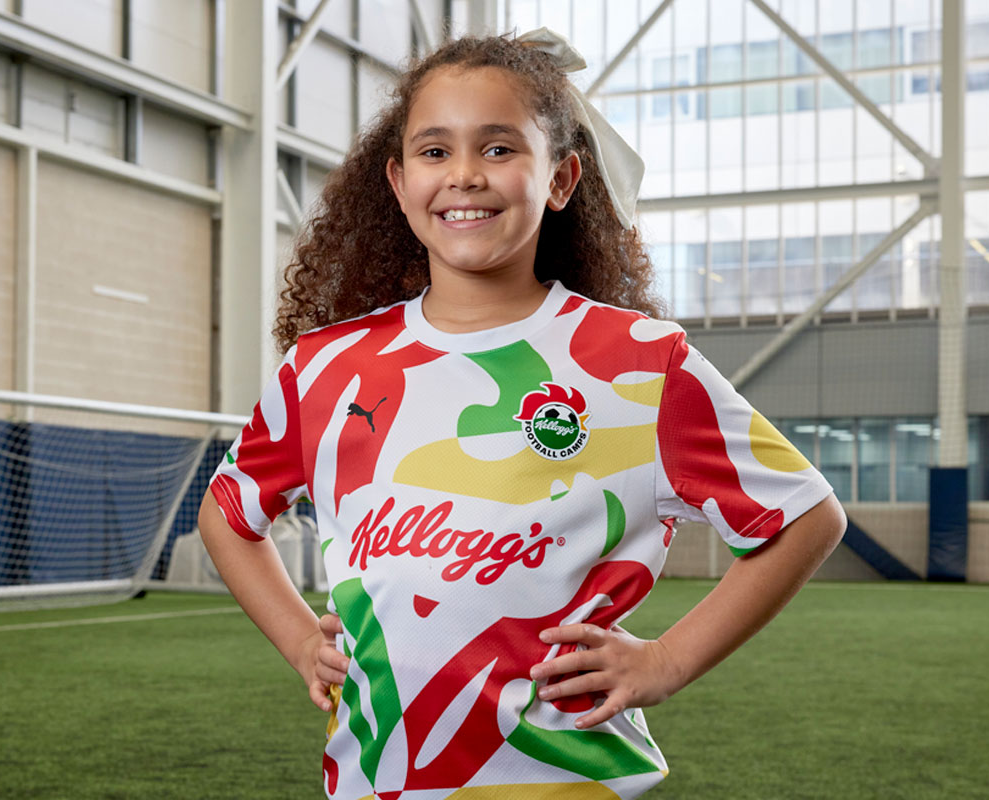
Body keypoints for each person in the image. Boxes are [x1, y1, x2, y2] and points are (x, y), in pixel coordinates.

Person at [198, 28, 846, 800]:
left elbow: (805, 516)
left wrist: (666, 661)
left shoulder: (641, 363)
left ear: (561, 178)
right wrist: (302, 640)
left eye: (499, 148)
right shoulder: (325, 367)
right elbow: (227, 512)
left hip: (568, 784)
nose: (464, 174)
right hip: (375, 782)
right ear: (399, 182)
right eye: (435, 151)